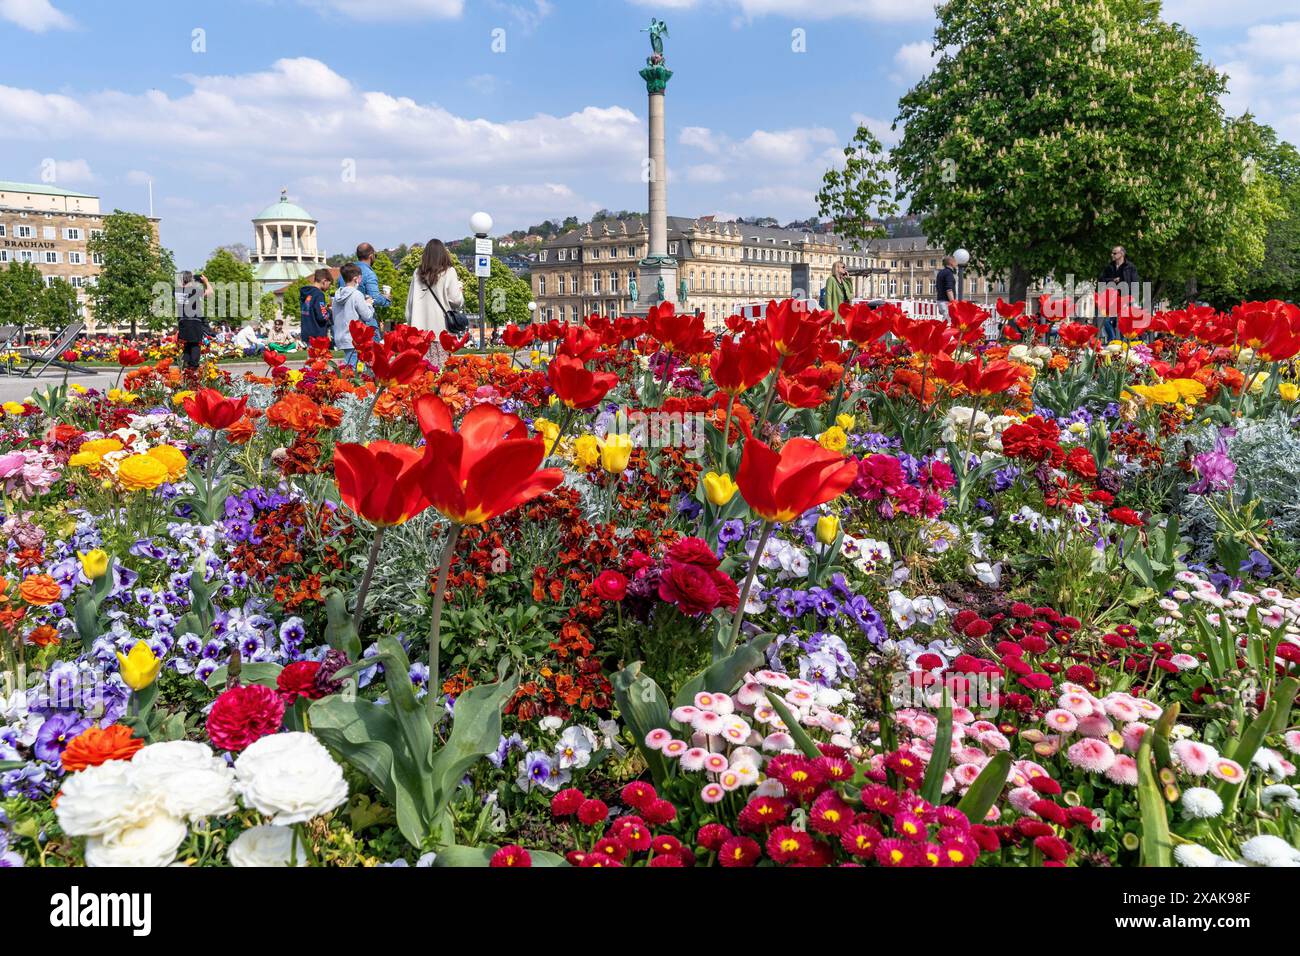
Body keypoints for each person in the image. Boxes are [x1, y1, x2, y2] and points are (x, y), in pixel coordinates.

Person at [407, 240, 465, 367]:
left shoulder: (417, 273)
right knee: (441, 373)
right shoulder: (449, 272)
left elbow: (410, 305)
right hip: (441, 332)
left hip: (420, 335)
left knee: (421, 375)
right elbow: (456, 301)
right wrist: (460, 290)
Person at [332, 263, 377, 368]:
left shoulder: (336, 296)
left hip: (341, 336)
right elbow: (367, 316)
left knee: (349, 366)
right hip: (354, 338)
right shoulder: (356, 294)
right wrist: (369, 304)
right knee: (355, 370)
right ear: (356, 279)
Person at [340, 243, 389, 335]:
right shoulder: (369, 273)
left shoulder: (346, 271)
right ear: (371, 256)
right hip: (366, 325)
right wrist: (386, 299)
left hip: (346, 323)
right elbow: (374, 298)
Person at [1097, 245, 1140, 343]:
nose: (1112, 255)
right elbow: (1101, 280)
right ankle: (1112, 338)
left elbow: (1135, 283)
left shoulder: (1130, 267)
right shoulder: (1109, 267)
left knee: (1121, 322)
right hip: (1111, 298)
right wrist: (1113, 280)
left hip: (1124, 298)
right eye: (1112, 253)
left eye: (1115, 253)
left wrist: (1133, 298)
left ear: (1122, 254)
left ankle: (1121, 343)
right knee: (1106, 320)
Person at [177, 272, 213, 372]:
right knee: (195, 344)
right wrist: (206, 281)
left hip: (182, 322)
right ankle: (193, 367)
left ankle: (186, 366)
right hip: (194, 321)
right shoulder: (195, 290)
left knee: (187, 344)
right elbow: (210, 292)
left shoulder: (177, 291)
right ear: (191, 280)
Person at [299, 269, 333, 345]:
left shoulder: (306, 293)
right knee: (318, 356)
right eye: (329, 284)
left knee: (311, 356)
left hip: (307, 332)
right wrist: (330, 311)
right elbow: (322, 316)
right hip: (317, 334)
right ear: (324, 281)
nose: (328, 287)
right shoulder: (319, 294)